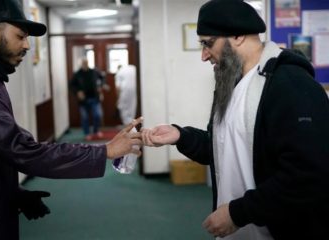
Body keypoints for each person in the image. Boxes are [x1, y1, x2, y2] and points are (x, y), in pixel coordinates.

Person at [0, 0, 142, 239]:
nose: (27, 45)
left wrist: (13, 193)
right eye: (20, 36)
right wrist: (104, 152)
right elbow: (22, 150)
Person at [141, 0, 329, 239]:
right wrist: (181, 135)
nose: (203, 55)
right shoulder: (231, 83)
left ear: (238, 35)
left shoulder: (290, 85)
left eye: (208, 44)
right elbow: (224, 149)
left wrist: (237, 213)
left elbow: (308, 174)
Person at [70, 58, 105, 141]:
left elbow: (102, 78)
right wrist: (77, 92)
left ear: (88, 63)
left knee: (97, 115)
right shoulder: (77, 74)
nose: (85, 64)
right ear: (81, 64)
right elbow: (71, 85)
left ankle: (96, 130)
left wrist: (100, 86)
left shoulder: (94, 72)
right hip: (83, 101)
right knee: (85, 117)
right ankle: (87, 133)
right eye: (83, 63)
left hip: (94, 98)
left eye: (86, 63)